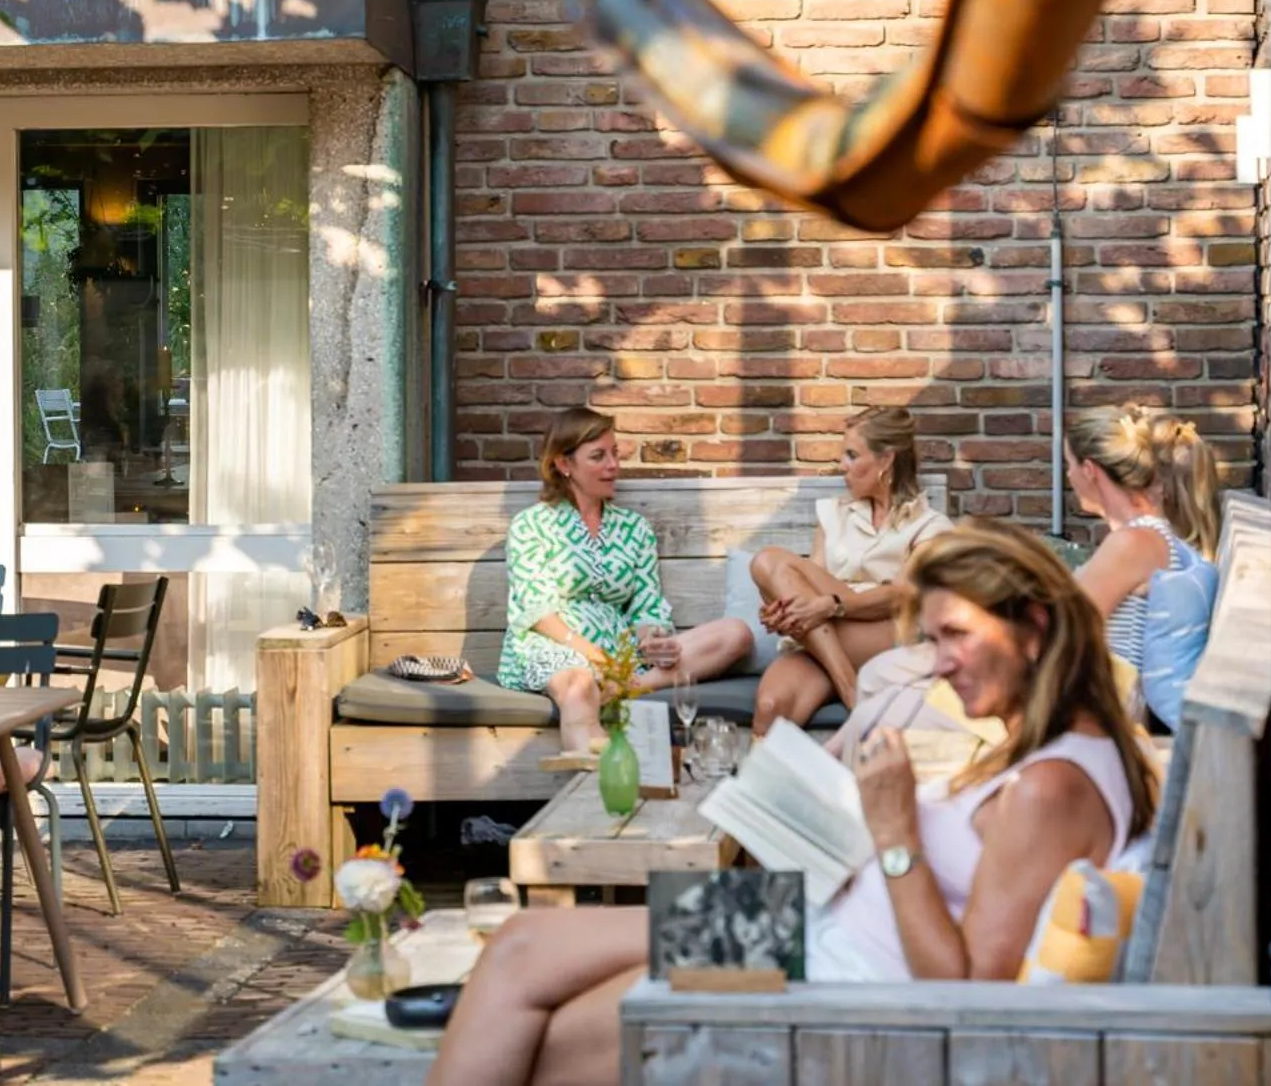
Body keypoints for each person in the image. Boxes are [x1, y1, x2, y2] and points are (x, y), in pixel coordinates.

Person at [426, 520, 1159, 1086]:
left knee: (543, 1033)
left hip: (832, 967)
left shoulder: (1054, 787)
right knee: (523, 943)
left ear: (1033, 626)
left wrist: (896, 827)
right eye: (933, 638)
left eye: (957, 636)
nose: (939, 661)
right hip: (798, 922)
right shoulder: (1055, 740)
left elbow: (968, 995)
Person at [497, 407, 753, 757]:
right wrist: (595, 658)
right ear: (563, 464)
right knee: (578, 686)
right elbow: (539, 613)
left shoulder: (634, 528)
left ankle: (625, 687)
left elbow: (646, 606)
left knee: (735, 633)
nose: (613, 465)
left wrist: (654, 640)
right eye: (598, 456)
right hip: (555, 646)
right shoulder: (532, 525)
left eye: (615, 453)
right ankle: (600, 778)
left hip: (622, 655)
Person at [745, 406, 953, 735]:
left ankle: (846, 686)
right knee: (771, 708)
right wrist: (784, 611)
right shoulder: (833, 515)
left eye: (852, 455)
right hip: (826, 636)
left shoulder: (931, 527)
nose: (843, 466)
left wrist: (829, 605)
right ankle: (848, 687)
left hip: (884, 633)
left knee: (767, 559)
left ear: (886, 460)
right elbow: (806, 584)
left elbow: (902, 595)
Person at [1064, 405, 1224, 729]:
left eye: (1068, 465)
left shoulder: (1134, 543)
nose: (1068, 476)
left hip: (1105, 717)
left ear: (1090, 470)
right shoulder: (1148, 537)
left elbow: (1062, 627)